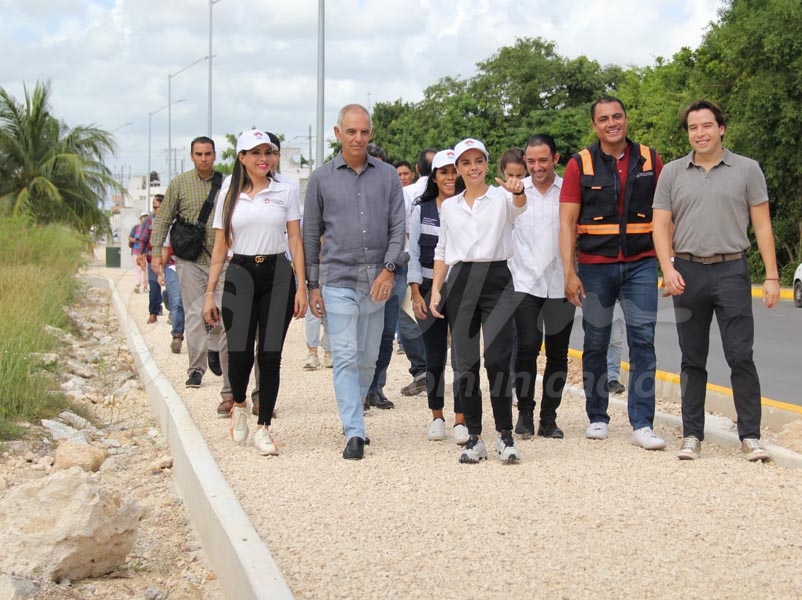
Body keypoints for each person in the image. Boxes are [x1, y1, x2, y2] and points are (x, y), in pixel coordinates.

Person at [653, 100, 779, 462]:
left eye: (707, 126)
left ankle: (750, 436)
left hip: (732, 271)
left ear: (721, 128)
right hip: (687, 272)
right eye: (693, 128)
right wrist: (668, 267)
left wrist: (772, 275)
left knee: (741, 354)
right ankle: (692, 434)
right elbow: (660, 225)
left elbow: (762, 225)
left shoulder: (747, 170)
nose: (700, 133)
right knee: (692, 358)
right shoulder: (673, 173)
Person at [559, 96, 666, 450]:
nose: (611, 123)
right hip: (595, 266)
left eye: (617, 116)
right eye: (603, 119)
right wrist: (569, 272)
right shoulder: (580, 164)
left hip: (641, 263)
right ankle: (598, 417)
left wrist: (668, 262)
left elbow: (665, 215)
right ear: (595, 125)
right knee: (595, 341)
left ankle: (642, 422)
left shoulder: (651, 159)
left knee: (642, 340)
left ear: (627, 119)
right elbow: (567, 222)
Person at [303, 104, 406, 460]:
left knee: (366, 359)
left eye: (364, 131)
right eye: (351, 131)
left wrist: (389, 269)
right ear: (338, 133)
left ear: (371, 133)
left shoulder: (389, 176)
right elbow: (311, 233)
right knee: (345, 355)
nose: (358, 138)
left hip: (377, 281)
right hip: (338, 280)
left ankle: (356, 415)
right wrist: (312, 285)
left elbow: (398, 228)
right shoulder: (321, 179)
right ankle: (354, 431)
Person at [203, 129, 306, 456]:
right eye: (256, 152)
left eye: (269, 152)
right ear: (242, 157)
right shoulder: (228, 195)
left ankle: (264, 427)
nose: (264, 158)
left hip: (277, 274)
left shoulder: (286, 189)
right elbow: (220, 247)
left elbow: (294, 239)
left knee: (271, 355)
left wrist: (301, 284)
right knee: (240, 352)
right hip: (240, 274)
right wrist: (209, 293)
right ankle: (240, 406)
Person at [430, 138, 527, 464]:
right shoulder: (449, 206)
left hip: (497, 278)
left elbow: (519, 206)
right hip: (460, 282)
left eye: (478, 161)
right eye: (466, 163)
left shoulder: (502, 197)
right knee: (465, 363)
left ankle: (505, 435)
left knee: (498, 358)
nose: (473, 168)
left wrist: (517, 191)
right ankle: (474, 437)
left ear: (487, 164)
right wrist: (436, 290)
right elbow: (442, 250)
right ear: (457, 169)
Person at [151, 137, 233, 415]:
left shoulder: (227, 183)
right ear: (191, 155)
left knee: (223, 313)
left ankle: (224, 367)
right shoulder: (179, 184)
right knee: (196, 313)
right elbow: (163, 218)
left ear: (214, 155)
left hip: (222, 260)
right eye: (198, 154)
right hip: (190, 260)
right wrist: (155, 252)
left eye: (208, 154)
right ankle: (196, 368)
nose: (204, 159)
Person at [510, 134, 577, 440]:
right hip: (525, 284)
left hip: (561, 284)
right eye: (531, 161)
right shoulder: (515, 193)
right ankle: (524, 412)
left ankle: (548, 418)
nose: (537, 167)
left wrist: (574, 274)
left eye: (543, 160)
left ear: (556, 159)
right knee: (526, 347)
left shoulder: (570, 191)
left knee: (558, 354)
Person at [408, 149, 468, 443]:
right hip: (429, 287)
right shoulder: (422, 209)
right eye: (443, 172)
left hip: (462, 286)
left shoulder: (469, 206)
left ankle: (461, 418)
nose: (450, 177)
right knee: (434, 357)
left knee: (462, 357)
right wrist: (416, 292)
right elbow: (414, 253)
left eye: (453, 171)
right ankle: (437, 415)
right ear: (434, 176)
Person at [364, 143, 428, 409]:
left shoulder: (398, 195)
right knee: (361, 333)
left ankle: (376, 387)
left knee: (386, 332)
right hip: (360, 269)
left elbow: (404, 233)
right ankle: (358, 389)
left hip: (394, 268)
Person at [136, 195, 164, 323]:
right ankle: (154, 311)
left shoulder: (172, 219)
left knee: (172, 287)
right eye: (154, 207)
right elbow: (143, 238)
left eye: (157, 207)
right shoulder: (149, 221)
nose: (155, 210)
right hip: (152, 258)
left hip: (169, 260)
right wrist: (140, 254)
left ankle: (173, 313)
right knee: (154, 286)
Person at [159, 233, 185, 354]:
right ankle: (177, 336)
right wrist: (161, 272)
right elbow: (165, 248)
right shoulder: (171, 226)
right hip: (173, 266)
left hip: (198, 266)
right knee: (177, 300)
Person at [606, 301, 626, 395]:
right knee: (595, 340)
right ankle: (595, 375)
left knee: (616, 338)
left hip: (620, 294)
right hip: (597, 291)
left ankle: (612, 379)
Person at [129, 212, 148, 293]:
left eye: (146, 217)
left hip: (146, 252)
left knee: (146, 269)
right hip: (136, 251)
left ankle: (145, 286)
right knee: (138, 268)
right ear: (140, 218)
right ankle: (137, 285)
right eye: (143, 217)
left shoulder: (150, 228)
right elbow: (130, 237)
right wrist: (133, 240)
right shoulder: (136, 228)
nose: (145, 218)